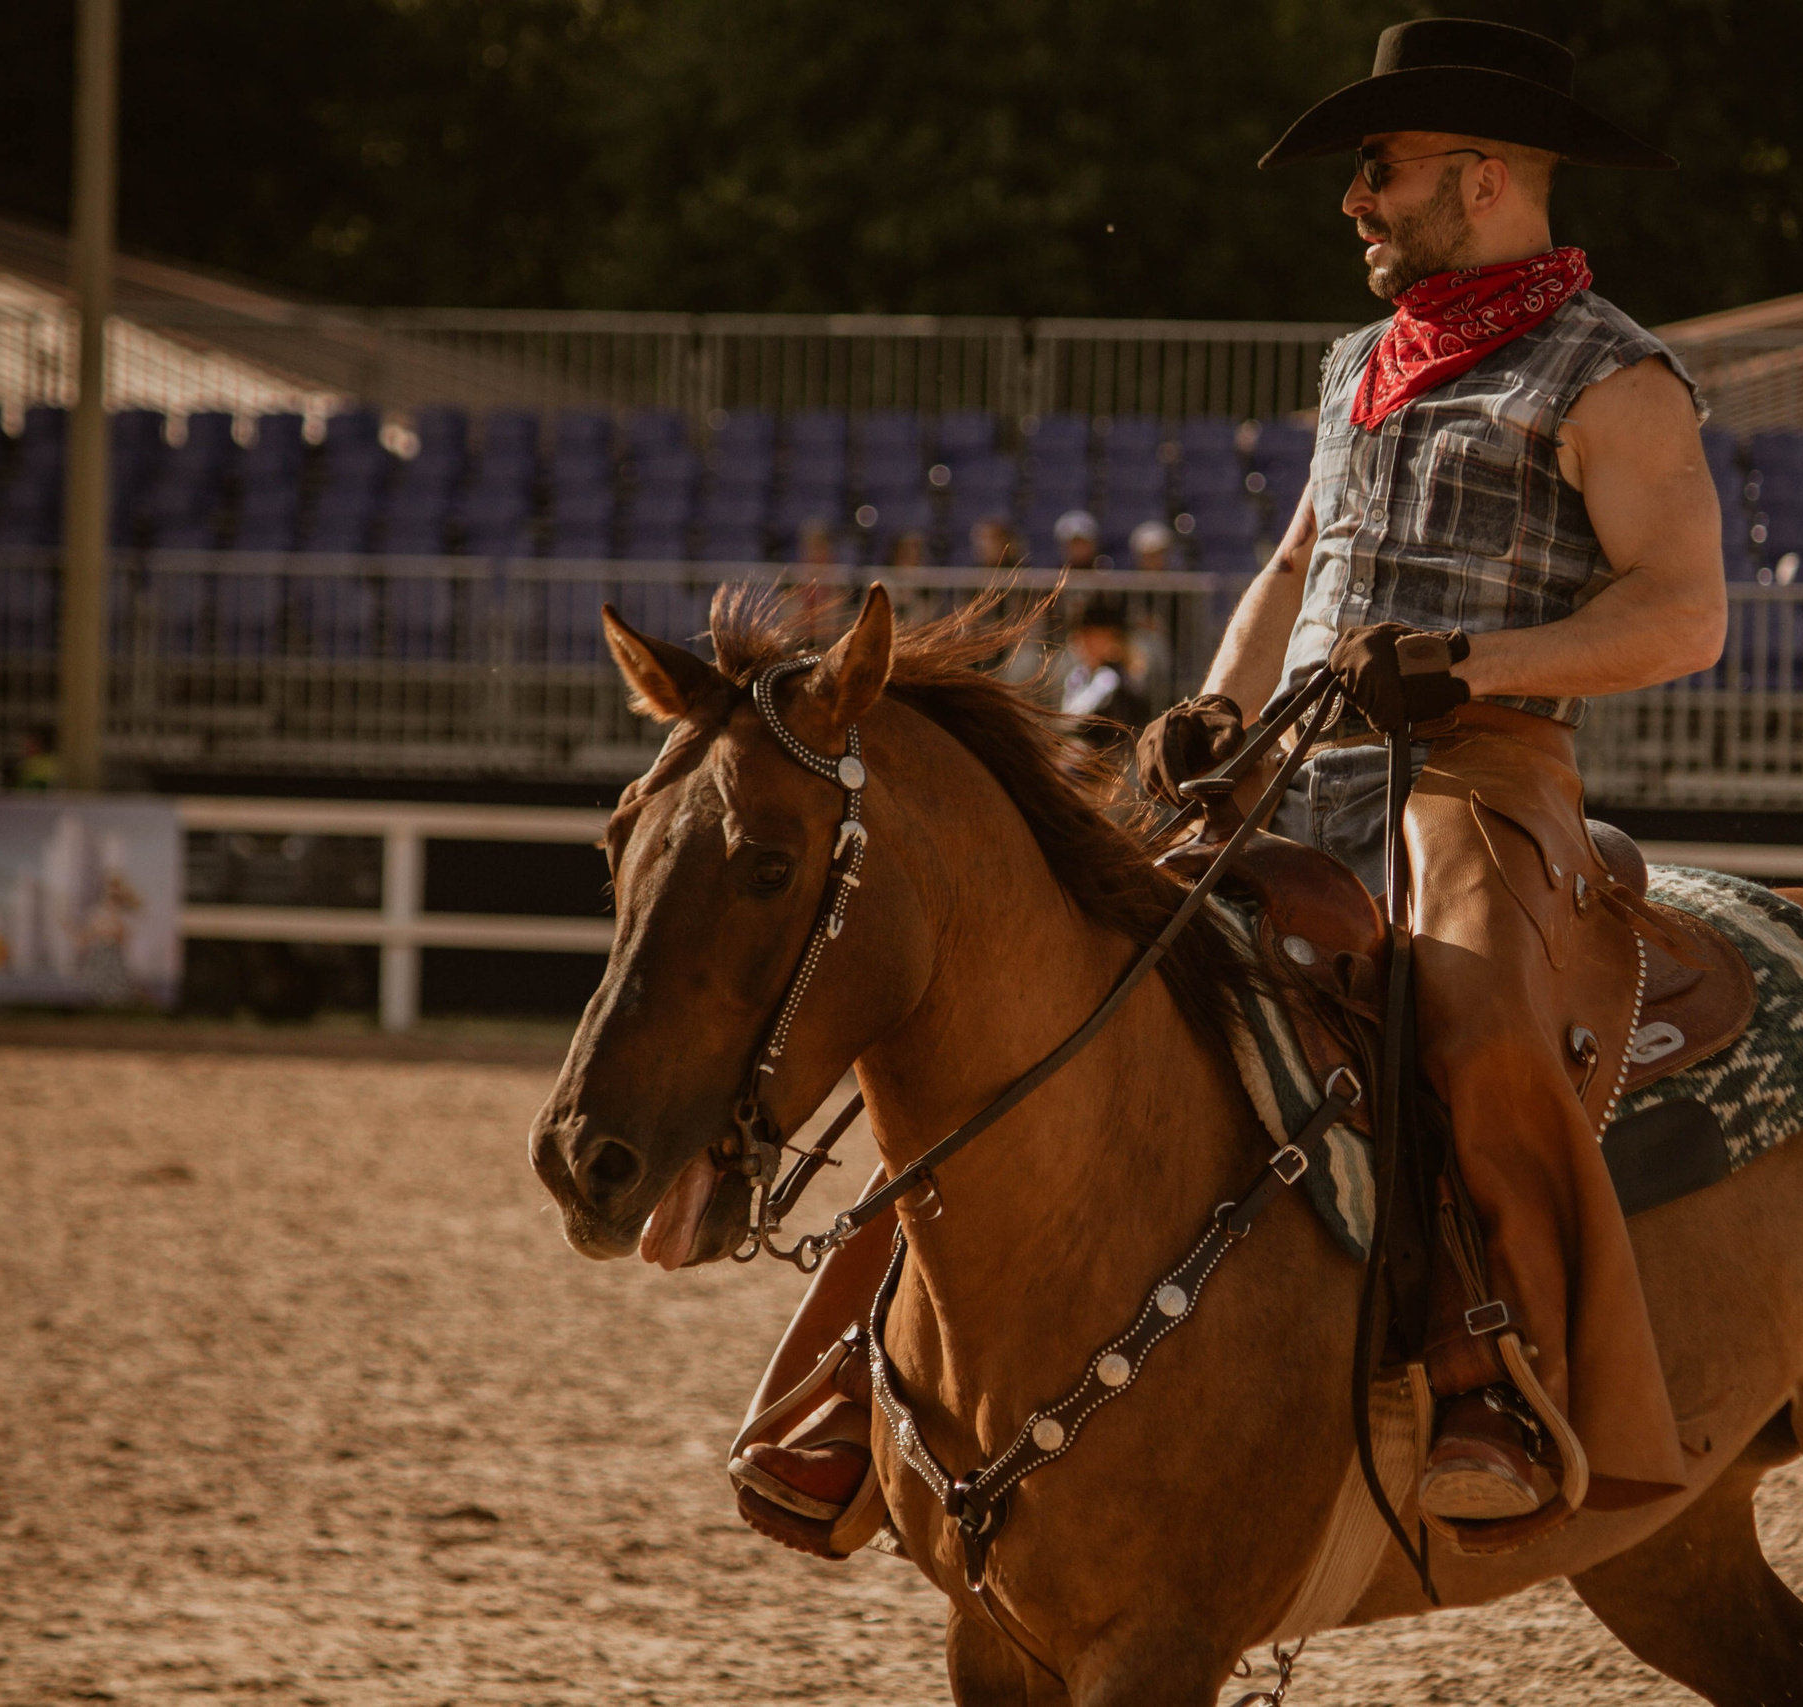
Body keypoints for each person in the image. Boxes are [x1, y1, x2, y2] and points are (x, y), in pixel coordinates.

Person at [730, 16, 1718, 1550]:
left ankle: (1494, 1372)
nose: (1354, 202)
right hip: (1291, 758)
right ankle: (852, 1379)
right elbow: (1294, 563)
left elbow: (1684, 614)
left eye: (1376, 171)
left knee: (1471, 1011)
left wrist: (1471, 663)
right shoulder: (1359, 366)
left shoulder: (1616, 375)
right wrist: (1210, 706)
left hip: (1477, 764)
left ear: (1481, 173)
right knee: (1022, 979)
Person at [1057, 593, 1153, 743]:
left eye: (1091, 637)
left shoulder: (1114, 676)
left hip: (1112, 754)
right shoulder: (1078, 675)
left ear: (1110, 638)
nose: (1082, 642)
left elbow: (1080, 720)